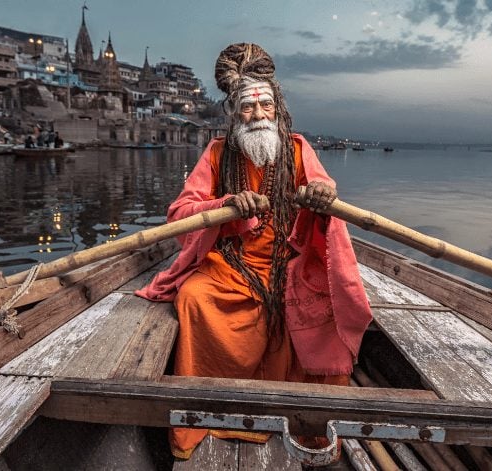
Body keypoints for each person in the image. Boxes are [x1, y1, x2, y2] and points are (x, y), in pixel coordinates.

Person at [136, 43, 372, 460]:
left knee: (327, 304)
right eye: (247, 107)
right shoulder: (216, 153)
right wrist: (223, 206)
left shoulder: (299, 149)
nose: (258, 115)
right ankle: (210, 415)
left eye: (265, 105)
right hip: (232, 265)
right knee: (194, 298)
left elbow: (327, 193)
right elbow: (179, 215)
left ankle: (309, 419)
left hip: (291, 262)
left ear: (277, 106)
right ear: (233, 111)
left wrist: (321, 193)